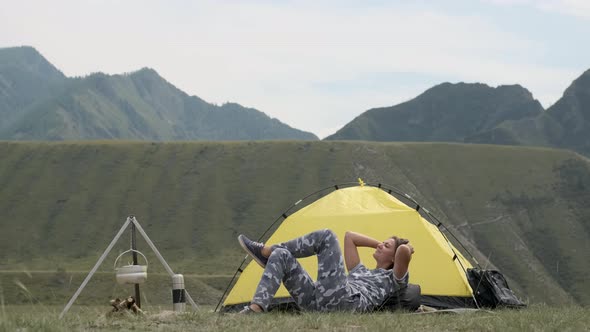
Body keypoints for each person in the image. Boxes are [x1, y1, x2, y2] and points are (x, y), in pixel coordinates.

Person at [237, 228, 414, 313]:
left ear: (393, 258)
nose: (381, 245)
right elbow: (349, 237)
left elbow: (403, 252)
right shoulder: (360, 270)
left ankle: (266, 252)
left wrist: (406, 245)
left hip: (346, 303)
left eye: (386, 245)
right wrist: (380, 244)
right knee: (282, 255)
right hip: (318, 303)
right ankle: (256, 308)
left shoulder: (393, 279)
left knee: (327, 236)